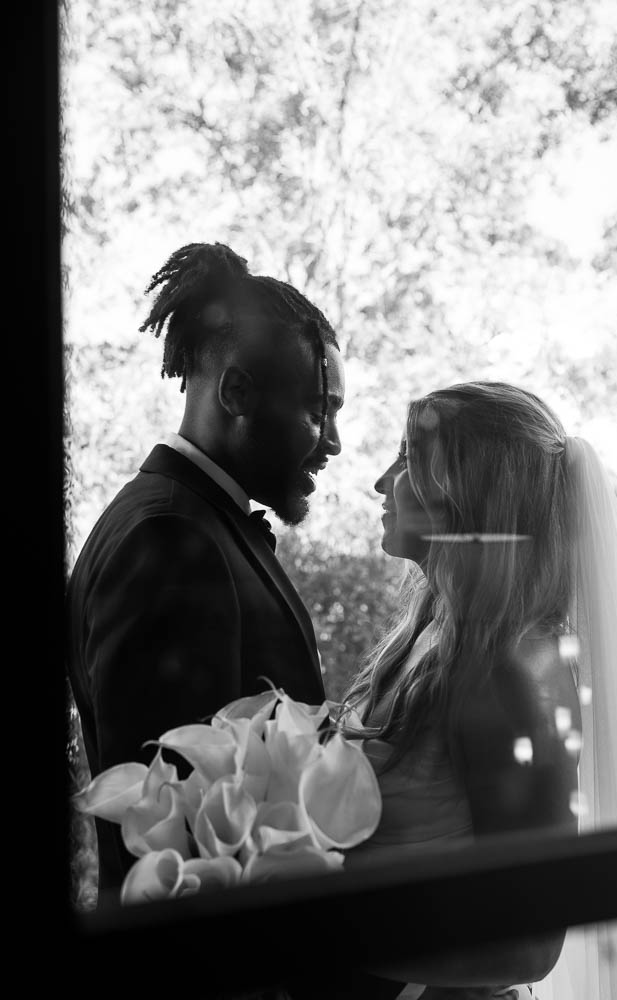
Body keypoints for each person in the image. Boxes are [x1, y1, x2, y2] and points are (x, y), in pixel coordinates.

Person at [337, 381, 617, 1000]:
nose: (382, 483)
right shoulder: (435, 639)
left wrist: (319, 937)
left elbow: (528, 945)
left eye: (407, 459)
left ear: (466, 489)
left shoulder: (511, 671)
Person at [65, 241, 345, 902]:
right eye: (319, 410)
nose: (332, 440)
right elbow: (171, 833)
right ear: (237, 391)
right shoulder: (167, 540)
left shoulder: (192, 523)